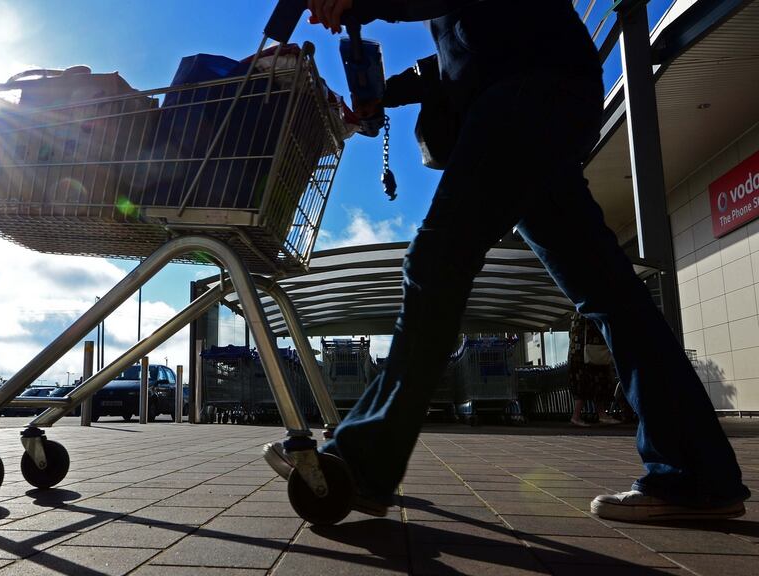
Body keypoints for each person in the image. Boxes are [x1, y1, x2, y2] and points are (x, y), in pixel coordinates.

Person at [265, 0, 749, 522]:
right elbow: (460, 57)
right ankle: (696, 474)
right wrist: (387, 92)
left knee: (437, 264)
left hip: (526, 96)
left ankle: (364, 460)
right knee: (609, 293)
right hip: (541, 95)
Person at [567, 312, 621, 427]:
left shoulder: (576, 316)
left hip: (577, 355)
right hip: (590, 354)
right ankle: (580, 416)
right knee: (594, 382)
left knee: (585, 385)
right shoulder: (592, 313)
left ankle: (592, 415)